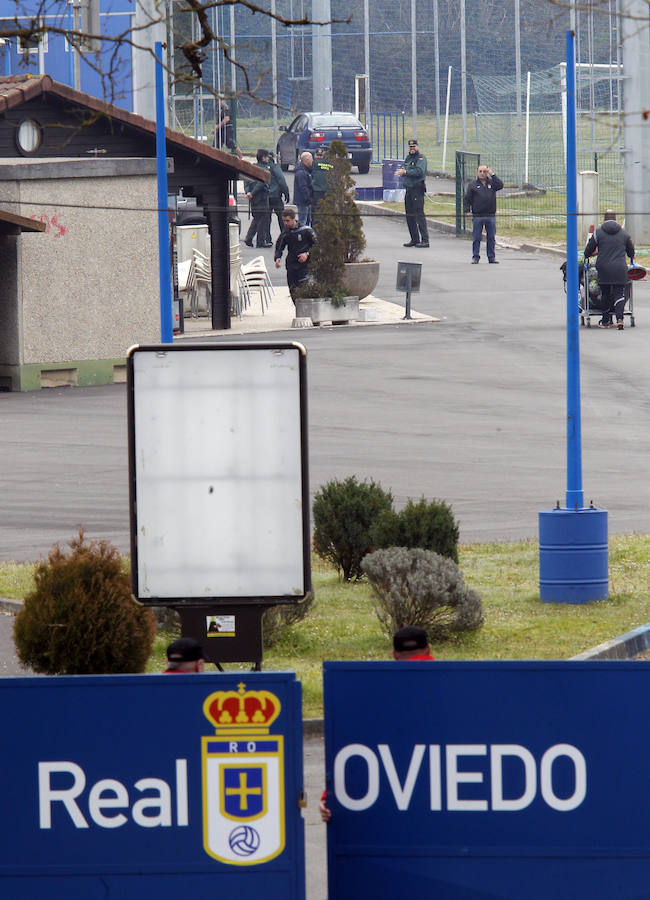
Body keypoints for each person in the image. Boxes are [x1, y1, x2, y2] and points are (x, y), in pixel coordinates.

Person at [319, 626, 434, 822]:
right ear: (429, 649)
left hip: (393, 806)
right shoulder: (454, 684)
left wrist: (328, 797)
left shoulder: (374, 693)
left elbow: (357, 747)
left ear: (395, 655)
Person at [583, 210, 635, 330]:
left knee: (605, 293)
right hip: (620, 267)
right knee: (619, 293)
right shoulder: (624, 234)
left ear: (604, 219)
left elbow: (589, 249)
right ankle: (620, 319)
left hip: (603, 267)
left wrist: (587, 256)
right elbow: (631, 251)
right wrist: (630, 257)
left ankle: (606, 321)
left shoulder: (598, 233)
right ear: (615, 219)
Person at [463, 164, 504, 264]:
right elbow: (467, 199)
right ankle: (475, 257)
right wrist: (467, 211)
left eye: (484, 171)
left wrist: (493, 175)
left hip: (490, 215)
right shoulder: (472, 185)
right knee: (476, 237)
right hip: (478, 216)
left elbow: (500, 185)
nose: (482, 173)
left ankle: (491, 257)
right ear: (477, 172)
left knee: (491, 238)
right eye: (480, 171)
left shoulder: (492, 183)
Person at [274, 206, 316, 299]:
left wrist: (307, 254)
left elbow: (317, 245)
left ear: (294, 219)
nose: (285, 223)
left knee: (304, 286)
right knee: (293, 289)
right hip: (292, 264)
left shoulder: (306, 230)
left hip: (305, 265)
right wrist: (278, 258)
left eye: (287, 221)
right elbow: (279, 246)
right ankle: (298, 308)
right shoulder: (286, 233)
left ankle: (305, 310)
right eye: (284, 221)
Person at [396, 139, 429, 248]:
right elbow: (405, 168)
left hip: (417, 189)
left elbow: (419, 171)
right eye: (410, 147)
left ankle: (425, 240)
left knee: (419, 214)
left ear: (417, 147)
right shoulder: (408, 158)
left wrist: (406, 172)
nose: (412, 148)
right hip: (409, 189)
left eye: (414, 146)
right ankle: (414, 239)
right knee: (409, 215)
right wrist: (403, 172)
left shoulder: (421, 158)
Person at [243, 149, 272, 248]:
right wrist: (253, 192)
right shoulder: (264, 169)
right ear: (263, 158)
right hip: (261, 197)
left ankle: (249, 238)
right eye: (267, 156)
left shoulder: (251, 168)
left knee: (257, 218)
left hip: (253, 198)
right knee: (262, 219)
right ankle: (260, 241)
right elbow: (261, 182)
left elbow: (246, 181)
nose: (268, 158)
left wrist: (248, 192)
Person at [264, 151, 290, 242]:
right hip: (276, 196)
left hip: (265, 196)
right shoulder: (275, 167)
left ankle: (267, 238)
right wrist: (286, 193)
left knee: (267, 219)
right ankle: (285, 237)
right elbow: (281, 181)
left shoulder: (262, 167)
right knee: (282, 218)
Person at [311, 147, 333, 218]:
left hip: (317, 191)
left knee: (316, 212)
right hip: (328, 191)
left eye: (320, 155)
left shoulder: (314, 163)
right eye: (318, 155)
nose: (319, 157)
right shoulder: (330, 163)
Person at [293, 151, 314, 225]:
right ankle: (301, 235)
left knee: (308, 220)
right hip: (303, 201)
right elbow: (303, 188)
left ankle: (307, 236)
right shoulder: (301, 173)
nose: (312, 161)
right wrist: (308, 199)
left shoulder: (306, 171)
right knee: (302, 221)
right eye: (311, 159)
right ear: (307, 160)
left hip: (305, 201)